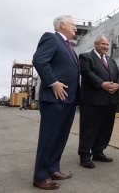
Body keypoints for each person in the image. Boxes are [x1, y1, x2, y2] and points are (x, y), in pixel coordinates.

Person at [32, 15, 80, 190]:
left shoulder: (69, 47)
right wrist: (53, 83)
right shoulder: (51, 38)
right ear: (62, 25)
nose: (76, 27)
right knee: (49, 138)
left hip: (68, 99)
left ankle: (53, 168)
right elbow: (39, 60)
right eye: (73, 24)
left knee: (60, 138)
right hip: (54, 98)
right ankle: (40, 176)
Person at [78, 36, 119, 168]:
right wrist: (102, 84)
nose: (105, 46)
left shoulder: (111, 61)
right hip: (92, 101)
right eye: (103, 44)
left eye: (107, 44)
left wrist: (118, 86)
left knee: (105, 128)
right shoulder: (85, 57)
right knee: (89, 129)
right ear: (96, 44)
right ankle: (85, 155)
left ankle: (98, 152)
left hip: (110, 100)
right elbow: (86, 72)